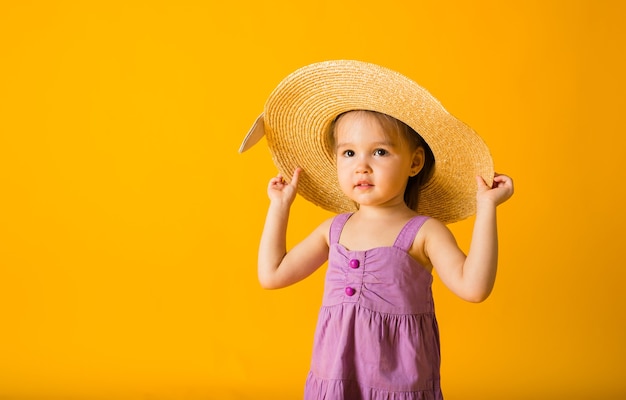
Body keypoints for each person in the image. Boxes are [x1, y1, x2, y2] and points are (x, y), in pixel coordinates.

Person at [240, 60, 514, 399]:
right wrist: (279, 208)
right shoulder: (334, 230)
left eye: (380, 152)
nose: (362, 166)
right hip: (336, 379)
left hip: (400, 384)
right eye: (349, 153)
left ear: (415, 162)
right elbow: (272, 274)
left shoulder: (424, 232)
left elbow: (474, 288)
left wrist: (487, 208)